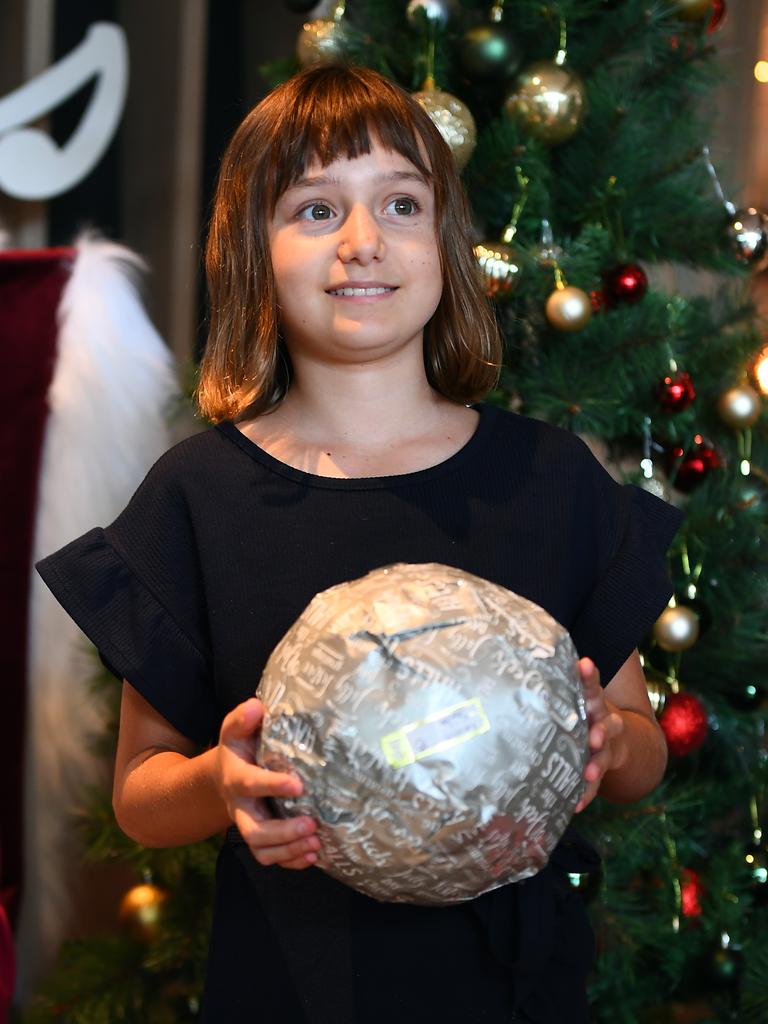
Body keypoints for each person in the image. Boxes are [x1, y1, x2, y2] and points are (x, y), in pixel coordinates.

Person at [36, 64, 682, 1023]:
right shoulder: (200, 498)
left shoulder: (549, 481)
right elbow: (141, 791)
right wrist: (221, 780)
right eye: (314, 210)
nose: (364, 241)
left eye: (402, 203)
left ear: (445, 244)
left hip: (516, 992)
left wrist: (603, 743)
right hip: (291, 990)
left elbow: (639, 751)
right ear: (252, 253)